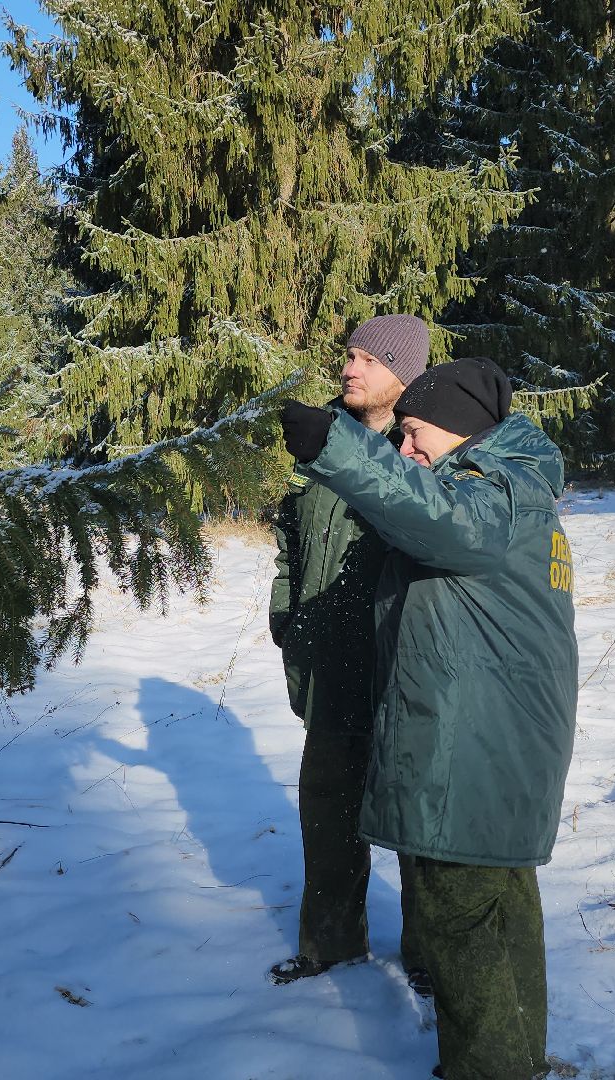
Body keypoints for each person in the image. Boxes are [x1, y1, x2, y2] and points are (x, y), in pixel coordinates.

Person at [277, 359, 578, 1080]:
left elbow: (438, 521)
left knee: (461, 923)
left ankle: (489, 1068)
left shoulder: (490, 491)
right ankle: (515, 1060)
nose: (407, 451)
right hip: (496, 736)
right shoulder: (519, 486)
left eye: (415, 435)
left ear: (463, 428)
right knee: (504, 916)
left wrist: (336, 448)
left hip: (468, 744)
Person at [267, 314, 430, 987]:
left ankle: (430, 960)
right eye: (348, 355)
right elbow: (290, 537)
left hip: (404, 670)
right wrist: (287, 615)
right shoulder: (320, 437)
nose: (349, 368)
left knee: (421, 827)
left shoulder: (427, 445)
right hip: (330, 661)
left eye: (367, 358)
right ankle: (330, 947)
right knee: (327, 813)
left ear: (406, 375)